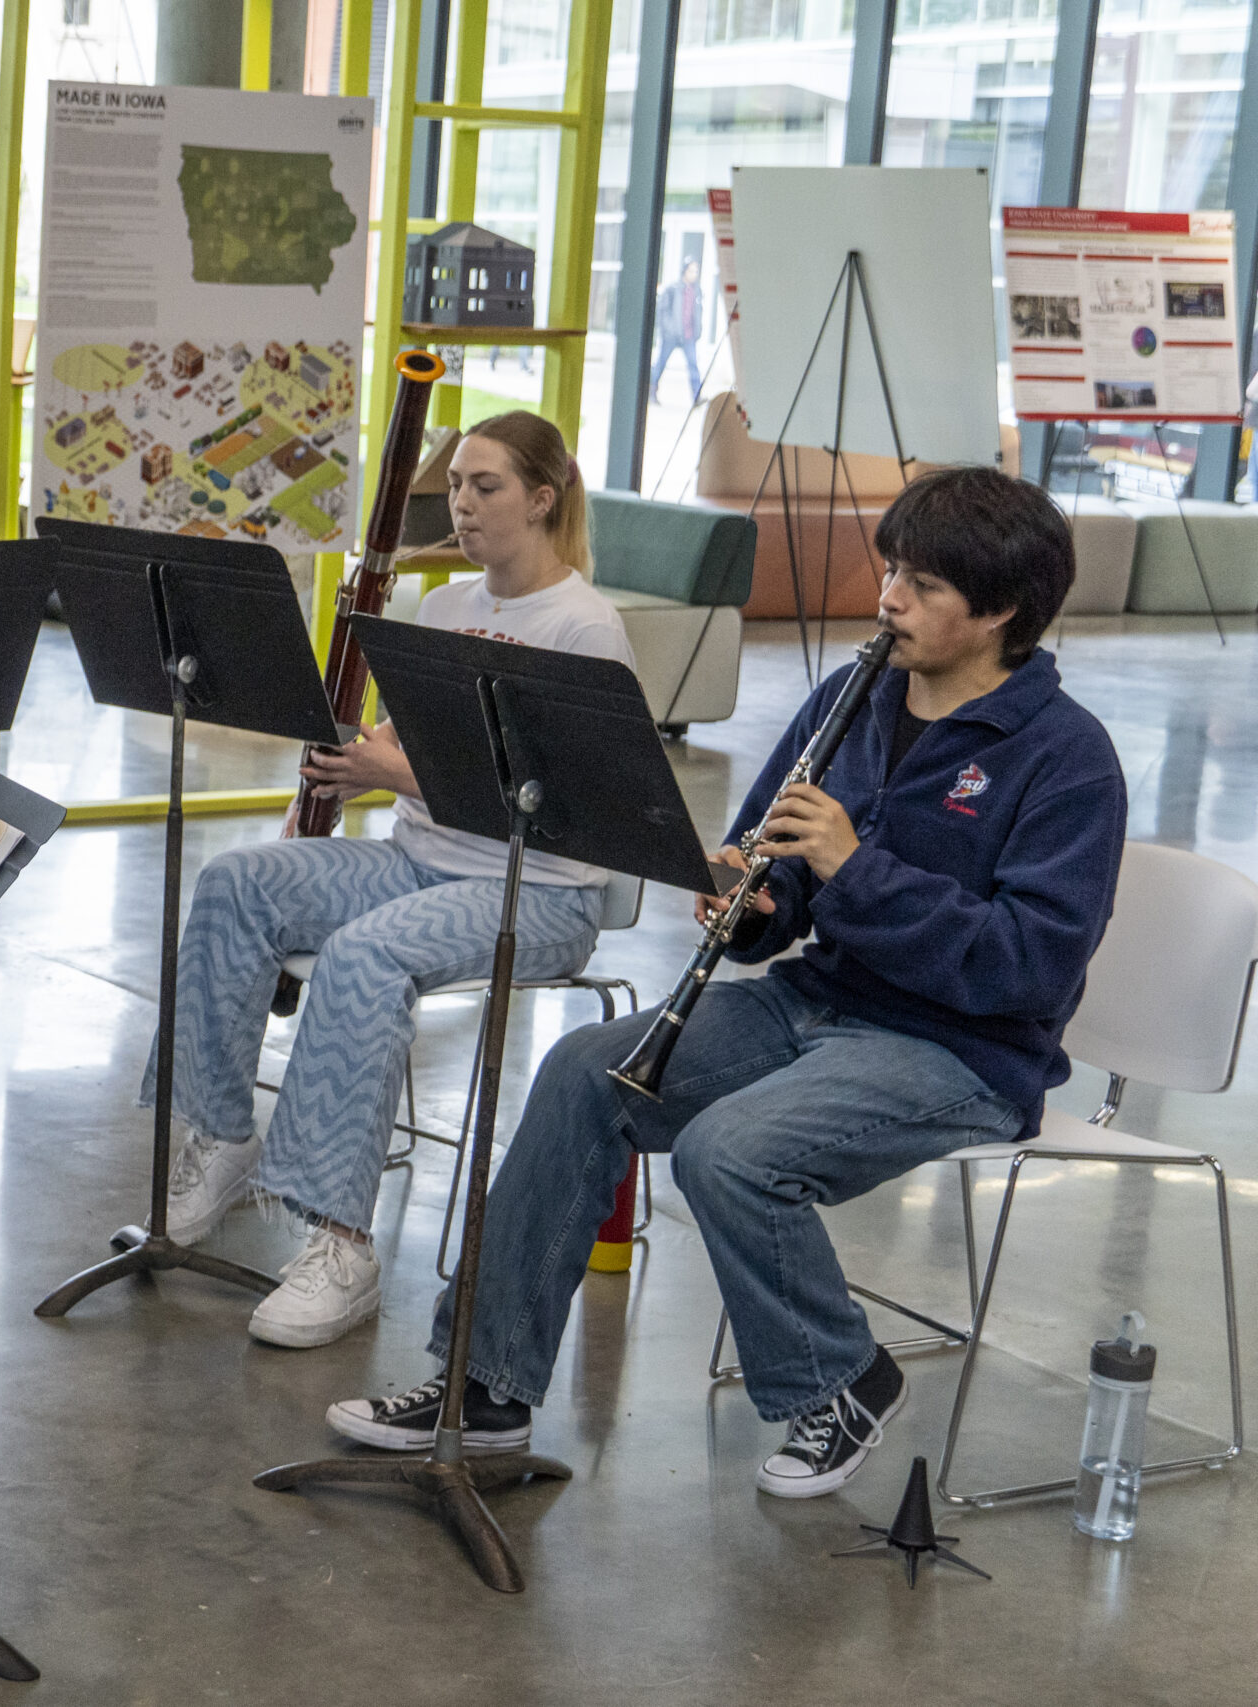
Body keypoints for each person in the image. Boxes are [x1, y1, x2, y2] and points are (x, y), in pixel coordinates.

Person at [330, 466, 1124, 1501]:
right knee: (582, 1072)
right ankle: (483, 1390)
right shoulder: (852, 698)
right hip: (819, 999)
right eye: (892, 571)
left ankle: (840, 1379)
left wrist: (853, 869)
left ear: (1002, 613)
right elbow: (778, 877)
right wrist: (753, 904)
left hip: (960, 1053)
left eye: (924, 587)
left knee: (730, 1149)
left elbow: (1025, 967)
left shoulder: (1065, 760)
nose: (889, 600)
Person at [157, 411, 634, 1350]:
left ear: (542, 499)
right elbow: (414, 748)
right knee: (236, 882)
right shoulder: (445, 608)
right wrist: (355, 757)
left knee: (364, 953)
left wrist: (396, 772)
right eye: (455, 485)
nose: (461, 503)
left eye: (485, 486)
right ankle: (220, 1133)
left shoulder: (587, 627)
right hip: (419, 858)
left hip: (536, 889)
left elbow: (561, 803)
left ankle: (343, 1246)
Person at [650, 256, 705, 406]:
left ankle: (696, 396)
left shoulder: (696, 291)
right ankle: (651, 390)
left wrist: (697, 330)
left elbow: (698, 312)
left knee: (693, 364)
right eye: (692, 270)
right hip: (672, 335)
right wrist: (669, 329)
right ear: (685, 271)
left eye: (696, 271)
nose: (694, 274)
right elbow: (663, 311)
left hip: (688, 335)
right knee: (661, 363)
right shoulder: (673, 289)